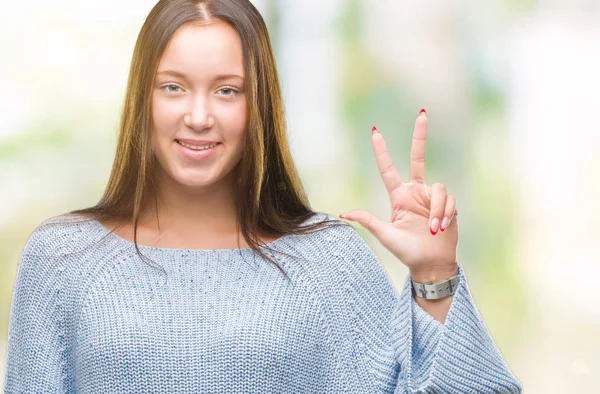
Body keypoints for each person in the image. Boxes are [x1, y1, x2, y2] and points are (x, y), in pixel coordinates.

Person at [3, 0, 523, 392]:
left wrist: (435, 277)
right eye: (174, 87)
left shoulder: (329, 263)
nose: (200, 115)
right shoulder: (64, 259)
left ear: (260, 107)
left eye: (228, 90)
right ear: (143, 98)